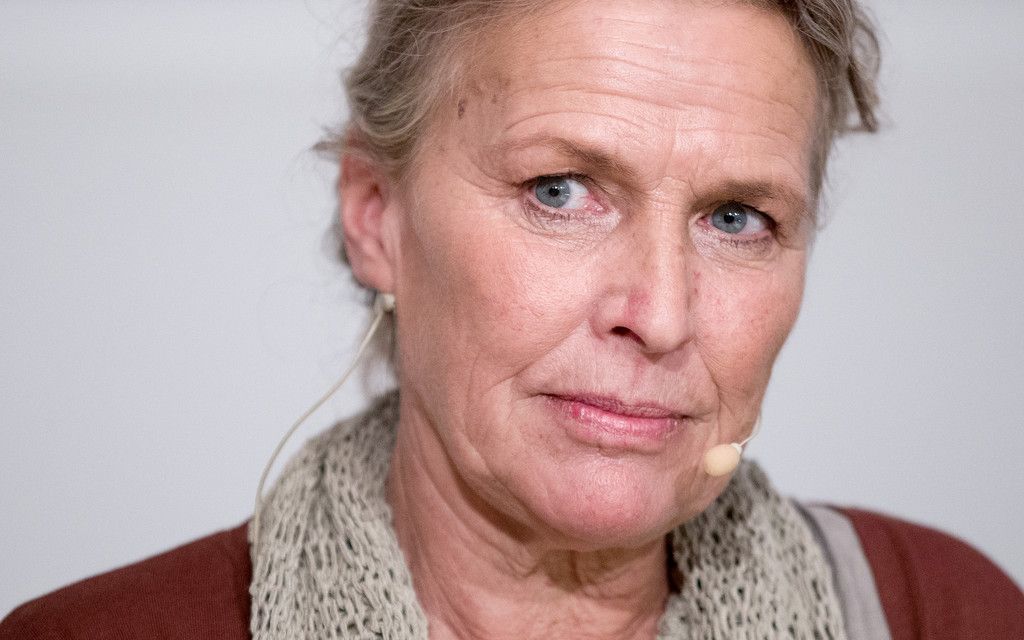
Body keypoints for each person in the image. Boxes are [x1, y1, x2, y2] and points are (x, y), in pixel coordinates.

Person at [2, 0, 1022, 638]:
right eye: (560, 191)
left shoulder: (945, 614)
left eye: (735, 218)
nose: (661, 314)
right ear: (377, 216)